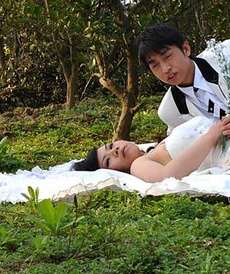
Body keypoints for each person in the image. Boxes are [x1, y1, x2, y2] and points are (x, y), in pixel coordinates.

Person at [73, 115, 230, 181]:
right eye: (108, 161)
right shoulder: (138, 165)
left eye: (111, 146)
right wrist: (211, 136)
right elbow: (166, 176)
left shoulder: (155, 148)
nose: (114, 151)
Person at [138, 22, 230, 133]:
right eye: (155, 65)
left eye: (167, 56)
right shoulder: (169, 111)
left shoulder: (225, 54)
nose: (165, 69)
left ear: (185, 49)